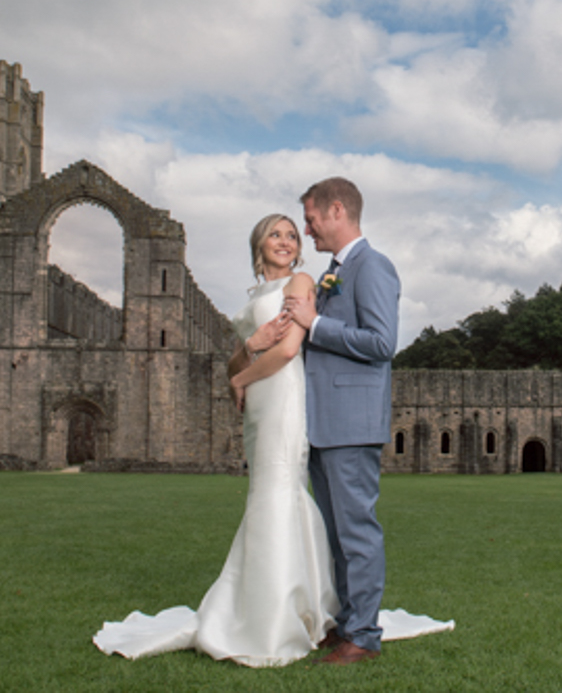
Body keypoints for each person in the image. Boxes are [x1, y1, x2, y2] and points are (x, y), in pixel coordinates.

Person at [92, 214, 338, 666]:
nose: (283, 241)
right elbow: (239, 360)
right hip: (260, 403)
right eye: (274, 234)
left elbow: (286, 351)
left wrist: (241, 374)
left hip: (283, 396)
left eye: (290, 235)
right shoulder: (256, 295)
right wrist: (247, 353)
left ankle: (282, 614)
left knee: (279, 490)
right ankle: (293, 602)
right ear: (257, 244)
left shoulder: (301, 282)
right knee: (268, 492)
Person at [276, 177, 400, 666]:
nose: (306, 230)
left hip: (352, 424)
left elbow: (381, 343)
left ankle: (364, 637)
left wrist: (315, 324)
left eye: (309, 219)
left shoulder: (373, 266)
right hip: (324, 424)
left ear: (336, 210)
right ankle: (347, 624)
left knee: (356, 533)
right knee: (334, 535)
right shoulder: (333, 273)